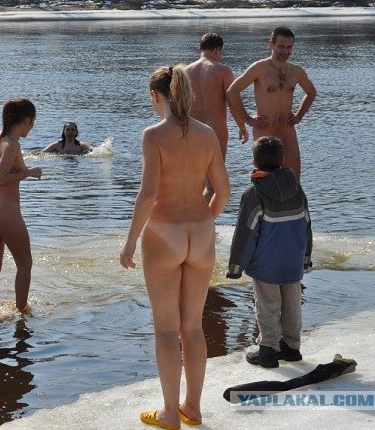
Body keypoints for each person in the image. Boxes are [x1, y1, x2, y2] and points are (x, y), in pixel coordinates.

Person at [120, 65, 230, 430]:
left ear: (156, 96)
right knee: (193, 327)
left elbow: (148, 194)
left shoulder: (153, 135)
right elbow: (223, 191)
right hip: (200, 233)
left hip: (164, 233)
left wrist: (130, 241)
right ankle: (192, 408)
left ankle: (170, 413)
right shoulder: (207, 133)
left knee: (167, 330)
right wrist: (205, 220)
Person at [227, 136, 312, 368]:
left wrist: (236, 266)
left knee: (268, 305)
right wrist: (306, 257)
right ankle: (291, 347)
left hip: (266, 264)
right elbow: (306, 224)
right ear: (282, 160)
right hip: (293, 262)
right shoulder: (297, 189)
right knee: (292, 304)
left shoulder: (254, 194)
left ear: (254, 161)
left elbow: (245, 234)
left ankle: (268, 350)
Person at [0, 99, 42, 314]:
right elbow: (0, 179)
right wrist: (28, 172)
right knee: (25, 264)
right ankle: (22, 313)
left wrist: (4, 165)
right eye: (32, 123)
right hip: (4, 212)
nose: (32, 127)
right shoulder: (12, 145)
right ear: (27, 120)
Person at [227, 26, 317, 180]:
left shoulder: (296, 71)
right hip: (265, 131)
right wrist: (247, 119)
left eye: (289, 47)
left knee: (293, 180)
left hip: (287, 131)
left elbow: (311, 92)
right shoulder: (259, 68)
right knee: (265, 181)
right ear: (271, 44)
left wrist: (299, 116)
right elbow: (232, 91)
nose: (285, 51)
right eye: (281, 46)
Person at [184, 33, 236, 201]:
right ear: (217, 50)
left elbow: (179, 105)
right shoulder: (223, 70)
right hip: (215, 129)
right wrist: (243, 125)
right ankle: (205, 217)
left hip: (191, 129)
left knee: (194, 182)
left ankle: (191, 215)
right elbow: (233, 101)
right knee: (213, 185)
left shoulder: (185, 72)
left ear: (200, 49)